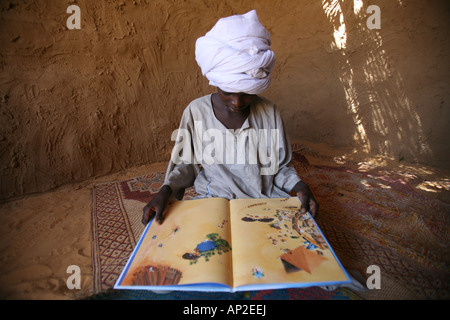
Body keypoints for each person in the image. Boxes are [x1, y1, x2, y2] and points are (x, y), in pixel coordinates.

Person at [142, 10, 318, 226]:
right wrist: (165, 190)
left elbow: (279, 167)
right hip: (213, 200)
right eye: (228, 92)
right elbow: (186, 164)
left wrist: (300, 186)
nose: (237, 102)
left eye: (246, 93)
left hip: (264, 200)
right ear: (215, 82)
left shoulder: (269, 112)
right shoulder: (196, 111)